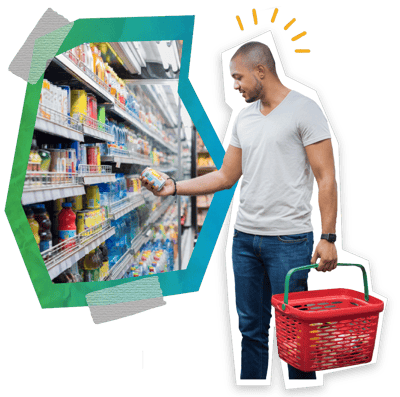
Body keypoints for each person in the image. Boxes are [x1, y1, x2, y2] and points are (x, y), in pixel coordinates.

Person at [140, 41, 338, 380]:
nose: (234, 85)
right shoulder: (243, 117)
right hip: (245, 239)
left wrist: (329, 236)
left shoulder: (305, 110)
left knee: (294, 332)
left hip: (289, 241)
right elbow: (225, 176)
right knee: (250, 330)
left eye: (238, 77)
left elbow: (326, 177)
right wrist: (174, 187)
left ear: (261, 71)